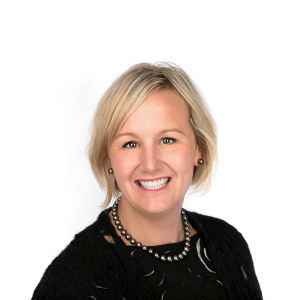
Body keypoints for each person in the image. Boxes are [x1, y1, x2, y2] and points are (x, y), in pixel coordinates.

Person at [32, 62, 263, 300]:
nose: (150, 164)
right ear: (108, 159)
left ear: (199, 149)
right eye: (130, 144)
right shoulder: (71, 282)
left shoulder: (228, 244)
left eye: (168, 140)